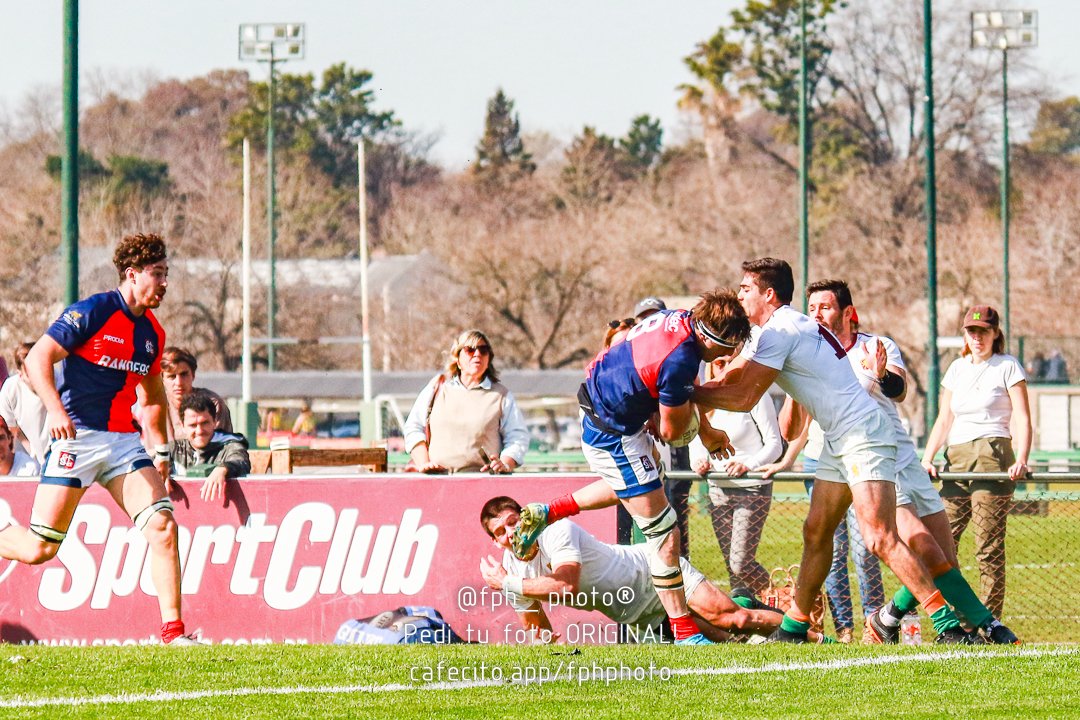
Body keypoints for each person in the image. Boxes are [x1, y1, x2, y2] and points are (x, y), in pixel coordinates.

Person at [691, 258, 970, 644]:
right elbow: (727, 377)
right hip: (840, 438)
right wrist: (685, 389)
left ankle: (947, 624)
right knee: (816, 531)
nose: (739, 295)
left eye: (746, 289)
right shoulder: (767, 332)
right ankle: (794, 626)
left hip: (861, 434)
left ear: (768, 295)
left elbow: (742, 396)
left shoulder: (782, 330)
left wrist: (681, 393)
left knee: (878, 537)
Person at [512, 290, 751, 645]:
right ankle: (685, 632)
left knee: (641, 482)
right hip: (614, 435)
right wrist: (702, 428)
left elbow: (659, 380)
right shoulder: (681, 360)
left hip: (605, 408)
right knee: (665, 534)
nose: (726, 355)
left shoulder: (678, 317)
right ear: (709, 336)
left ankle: (549, 512)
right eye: (727, 347)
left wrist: (682, 413)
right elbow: (671, 432)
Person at [0, 233, 197, 645]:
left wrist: (162, 451)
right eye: (157, 273)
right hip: (77, 438)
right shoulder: (92, 311)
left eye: (166, 273)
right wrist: (55, 410)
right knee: (40, 548)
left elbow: (153, 398)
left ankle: (174, 634)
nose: (164, 283)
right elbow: (37, 357)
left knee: (163, 527)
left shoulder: (152, 334)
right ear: (132, 274)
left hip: (123, 443)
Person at [802, 281, 1019, 645]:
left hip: (903, 456)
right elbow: (797, 418)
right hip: (873, 462)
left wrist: (881, 374)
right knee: (923, 546)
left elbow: (898, 390)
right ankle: (982, 625)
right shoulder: (813, 356)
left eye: (823, 307)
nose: (816, 315)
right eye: (811, 308)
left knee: (945, 556)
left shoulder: (877, 345)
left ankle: (887, 617)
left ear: (848, 313)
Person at [479, 497, 826, 644]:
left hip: (652, 570)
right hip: (639, 614)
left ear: (525, 518)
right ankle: (745, 600)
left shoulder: (555, 530)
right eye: (501, 531)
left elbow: (566, 585)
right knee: (724, 642)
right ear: (495, 543)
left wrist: (509, 584)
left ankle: (817, 640)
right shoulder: (510, 569)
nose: (510, 532)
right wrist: (549, 651)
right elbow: (536, 627)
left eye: (513, 521)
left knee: (733, 619)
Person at [921, 304, 1032, 620]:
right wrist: (928, 458)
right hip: (956, 460)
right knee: (941, 543)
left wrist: (1022, 458)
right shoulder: (957, 368)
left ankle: (987, 623)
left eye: (984, 331)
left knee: (988, 548)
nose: (977, 337)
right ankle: (954, 619)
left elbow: (1023, 417)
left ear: (995, 333)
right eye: (972, 331)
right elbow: (944, 419)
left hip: (991, 457)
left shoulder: (1007, 366)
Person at [688, 352, 782, 596]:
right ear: (710, 367)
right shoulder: (703, 399)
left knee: (740, 563)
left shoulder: (755, 395)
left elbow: (775, 445)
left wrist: (747, 465)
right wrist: (698, 462)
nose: (727, 368)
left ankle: (784, 600)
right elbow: (695, 440)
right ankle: (748, 617)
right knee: (733, 569)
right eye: (721, 363)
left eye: (734, 362)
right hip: (718, 489)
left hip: (751, 488)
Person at [404, 329, 529, 474]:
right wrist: (424, 464)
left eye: (483, 350)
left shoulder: (501, 395)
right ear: (457, 358)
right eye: (470, 350)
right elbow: (413, 428)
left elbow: (517, 437)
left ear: (489, 358)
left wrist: (505, 464)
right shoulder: (437, 387)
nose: (477, 354)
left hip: (482, 480)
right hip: (436, 480)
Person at [172, 392, 251, 504]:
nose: (199, 431)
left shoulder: (230, 445)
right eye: (193, 425)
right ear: (182, 426)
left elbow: (240, 460)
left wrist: (223, 469)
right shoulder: (174, 450)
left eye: (205, 423)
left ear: (214, 421)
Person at [156, 346, 233, 439]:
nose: (179, 382)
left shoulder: (212, 404)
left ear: (193, 375)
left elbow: (217, 444)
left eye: (184, 374)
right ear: (162, 379)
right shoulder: (157, 406)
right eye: (172, 376)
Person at [0, 342, 50, 464]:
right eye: (31, 374)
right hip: (36, 459)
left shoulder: (61, 382)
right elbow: (11, 431)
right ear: (20, 374)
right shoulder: (11, 389)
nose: (37, 377)